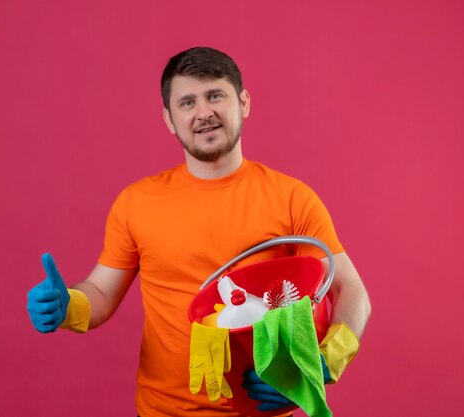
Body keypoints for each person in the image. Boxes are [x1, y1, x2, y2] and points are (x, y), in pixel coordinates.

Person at [27, 46, 371, 417]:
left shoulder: (292, 198)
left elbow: (351, 292)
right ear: (169, 120)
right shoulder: (136, 202)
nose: (203, 112)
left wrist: (320, 367)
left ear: (244, 103)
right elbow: (101, 292)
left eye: (215, 95)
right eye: (187, 102)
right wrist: (67, 306)